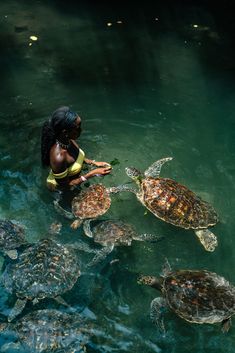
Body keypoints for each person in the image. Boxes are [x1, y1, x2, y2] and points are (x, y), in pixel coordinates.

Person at [41, 106, 112, 191]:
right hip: (61, 192)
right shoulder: (59, 158)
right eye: (78, 128)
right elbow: (64, 187)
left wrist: (94, 163)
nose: (81, 130)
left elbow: (76, 156)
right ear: (65, 132)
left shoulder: (68, 140)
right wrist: (92, 174)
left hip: (76, 179)